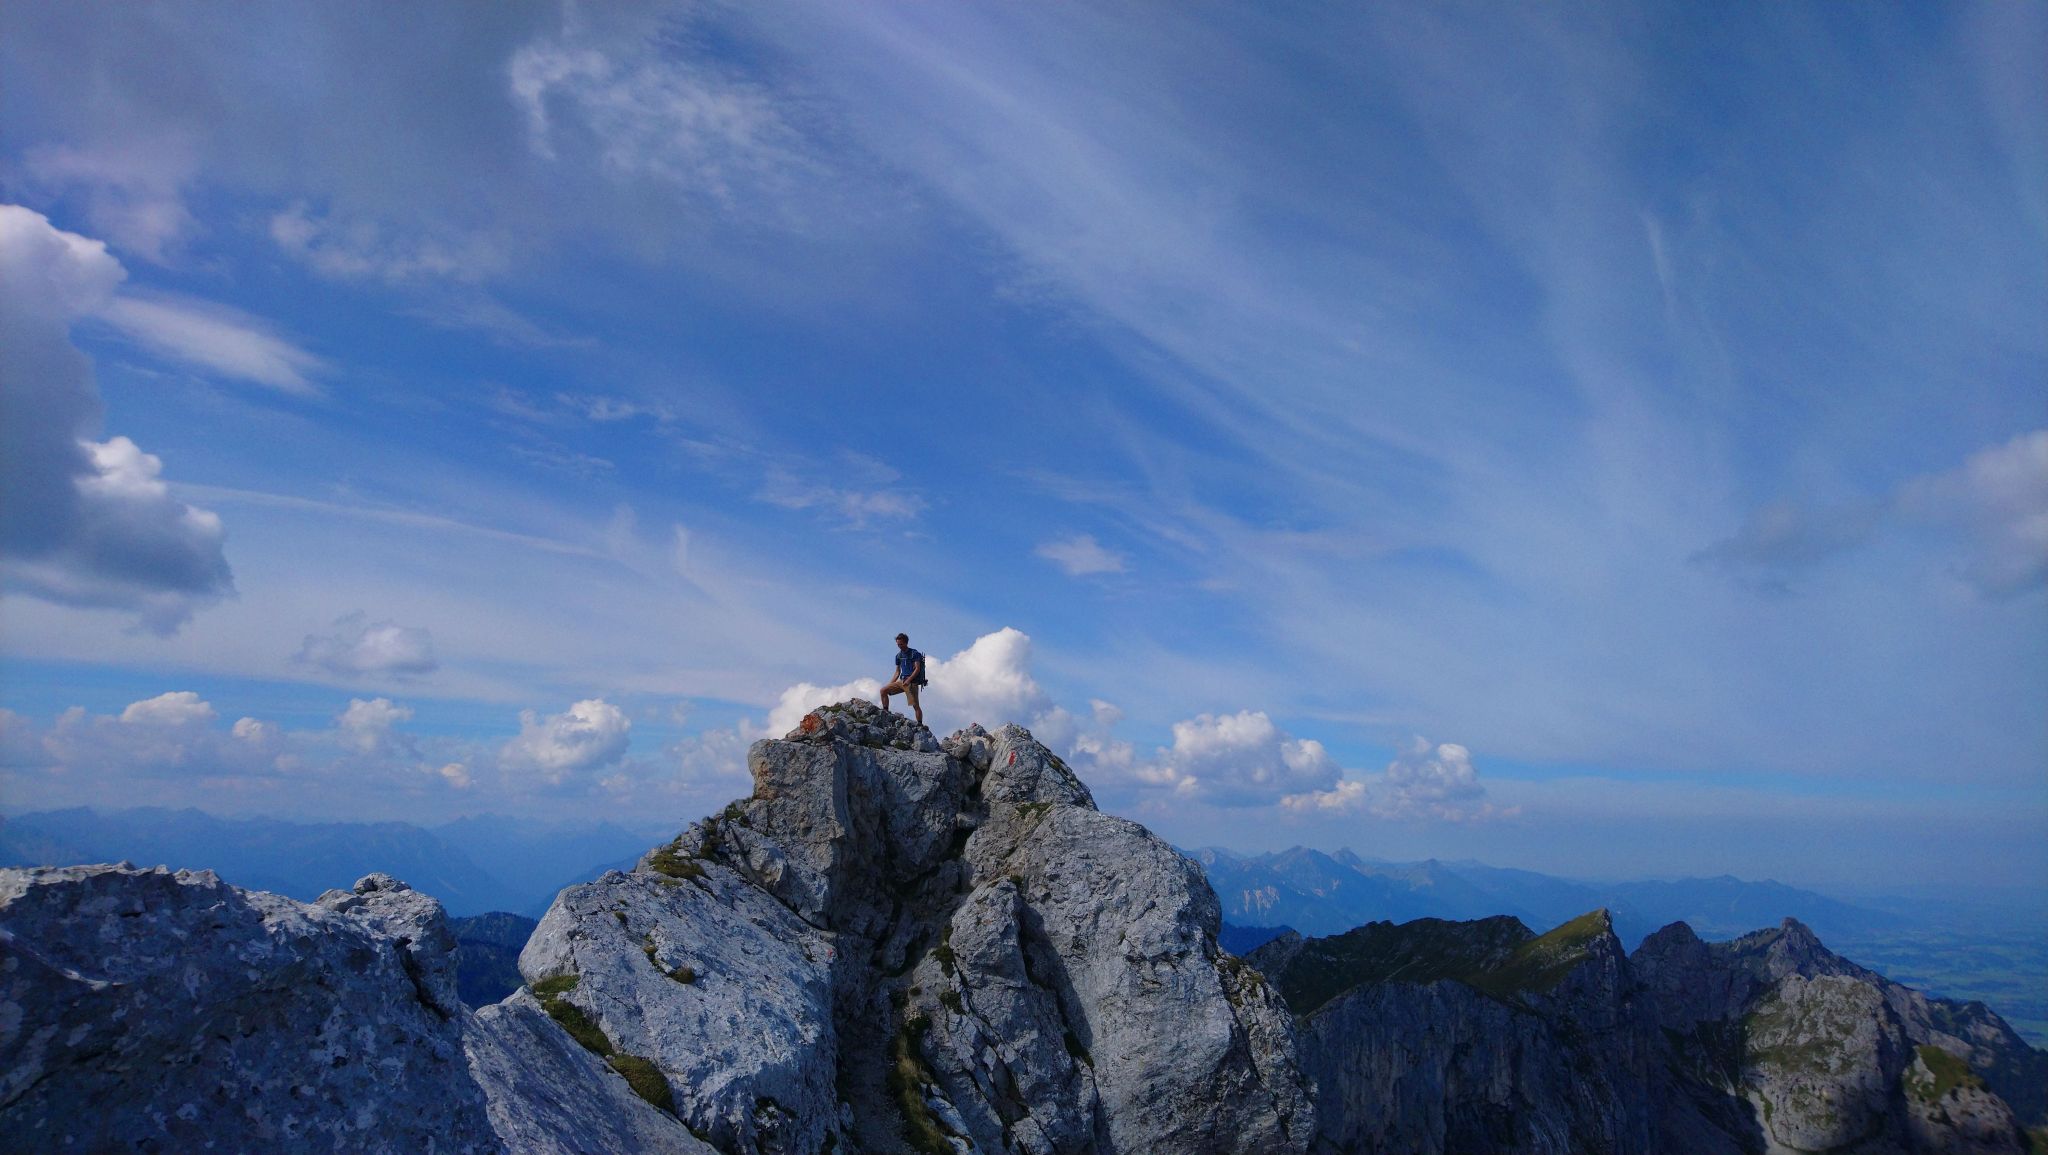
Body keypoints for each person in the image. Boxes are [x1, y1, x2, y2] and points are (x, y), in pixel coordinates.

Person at [880, 632, 927, 724]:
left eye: (901, 644)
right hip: (902, 681)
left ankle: (920, 724)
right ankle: (885, 711)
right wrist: (891, 684)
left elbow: (917, 669)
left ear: (906, 643)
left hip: (912, 682)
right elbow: (897, 672)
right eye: (898, 644)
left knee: (915, 705)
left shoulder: (914, 653)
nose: (899, 646)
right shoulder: (898, 656)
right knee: (883, 691)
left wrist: (909, 680)